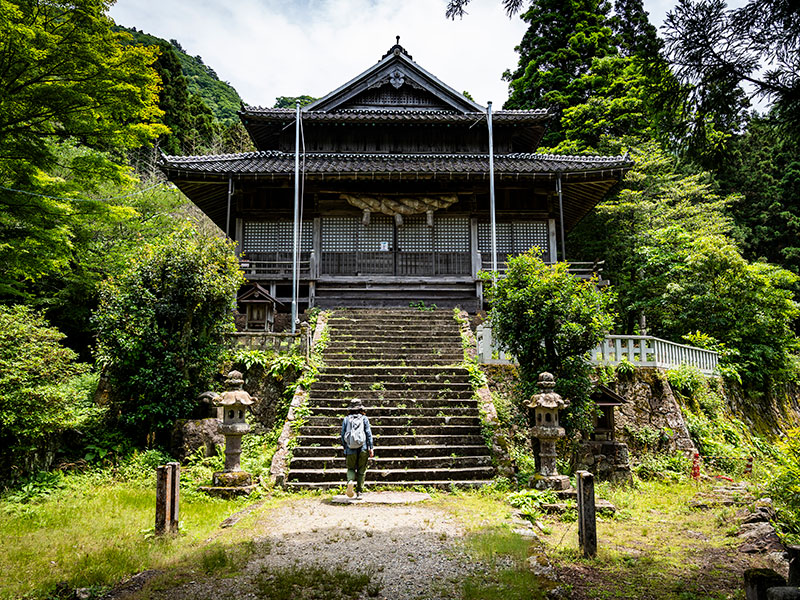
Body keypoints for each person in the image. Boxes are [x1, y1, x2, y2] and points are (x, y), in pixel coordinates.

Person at [340, 398, 374, 499]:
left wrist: (345, 447)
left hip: (350, 448)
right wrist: (371, 447)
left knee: (350, 468)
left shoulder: (346, 419)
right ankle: (359, 492)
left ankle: (350, 481)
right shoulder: (364, 418)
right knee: (361, 470)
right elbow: (368, 433)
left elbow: (342, 435)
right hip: (363, 447)